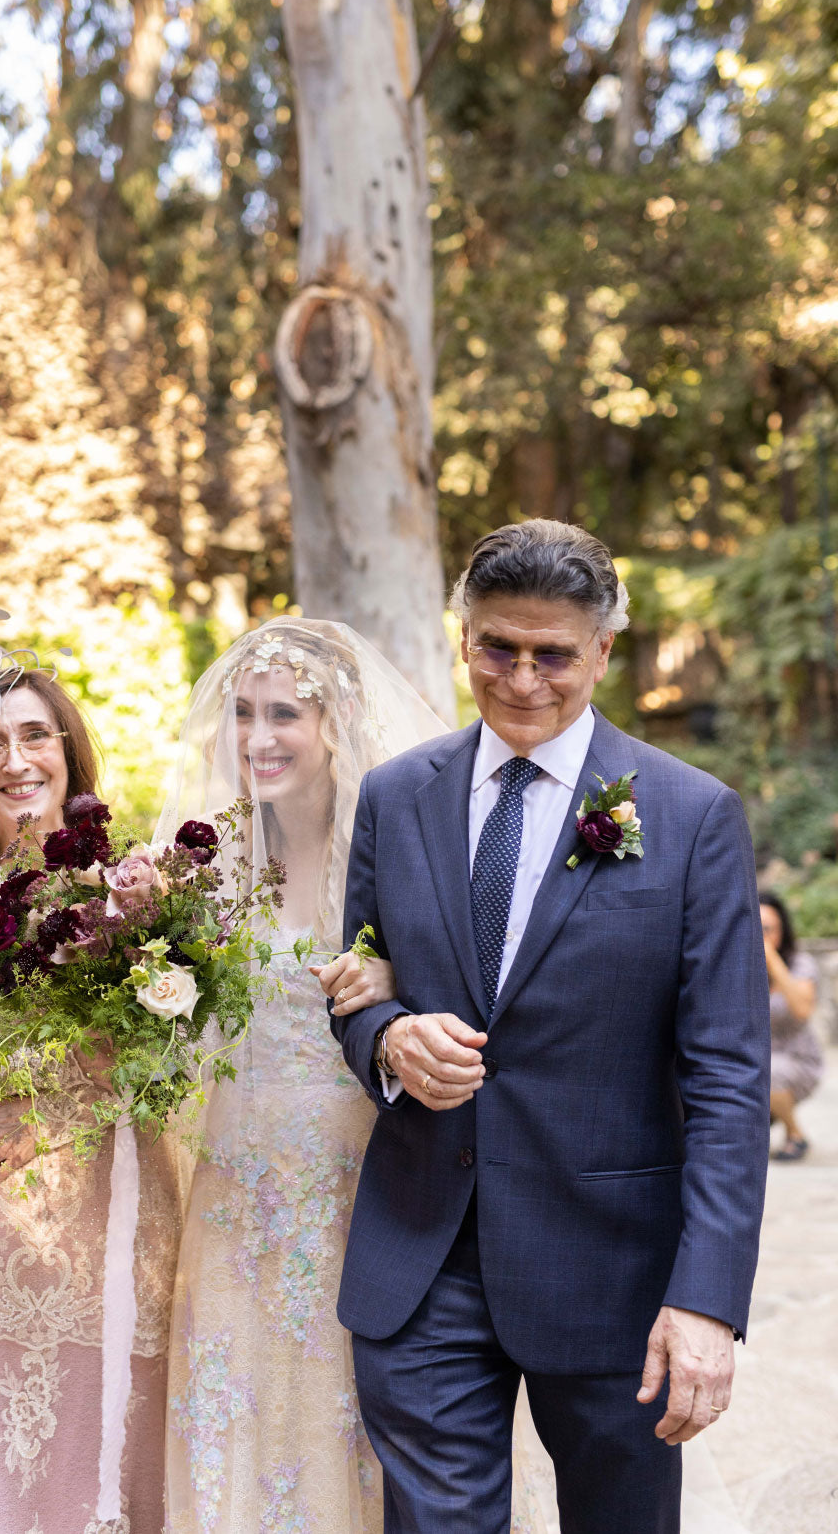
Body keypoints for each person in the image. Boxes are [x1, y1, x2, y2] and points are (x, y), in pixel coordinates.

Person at [332, 519, 771, 1534]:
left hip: (617, 1275)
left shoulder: (692, 813)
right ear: (464, 637)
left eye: (553, 654)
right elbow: (357, 984)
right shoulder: (397, 797)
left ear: (604, 651)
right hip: (422, 1255)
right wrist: (391, 1040)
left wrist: (706, 1300)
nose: (523, 677)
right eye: (497, 647)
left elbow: (727, 1079)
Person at [156, 618, 449, 1534]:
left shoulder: (395, 847)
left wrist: (395, 985)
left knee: (345, 1412)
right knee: (231, 1407)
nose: (257, 737)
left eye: (284, 712)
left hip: (357, 1188)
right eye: (243, 713)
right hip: (233, 1192)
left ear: (339, 722)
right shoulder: (208, 860)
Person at [0, 647, 182, 1534]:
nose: (15, 760)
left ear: (68, 749)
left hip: (114, 1214)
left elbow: (167, 1060)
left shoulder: (138, 886)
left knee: (109, 1461)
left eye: (33, 735)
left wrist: (53, 1105)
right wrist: (1, 1085)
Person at [760, 889, 823, 1161]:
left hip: (798, 1061)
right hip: (760, 1057)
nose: (761, 935)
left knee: (770, 1070)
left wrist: (772, 961)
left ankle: (795, 1134)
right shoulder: (739, 966)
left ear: (782, 929)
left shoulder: (800, 964)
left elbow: (802, 1009)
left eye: (767, 929)